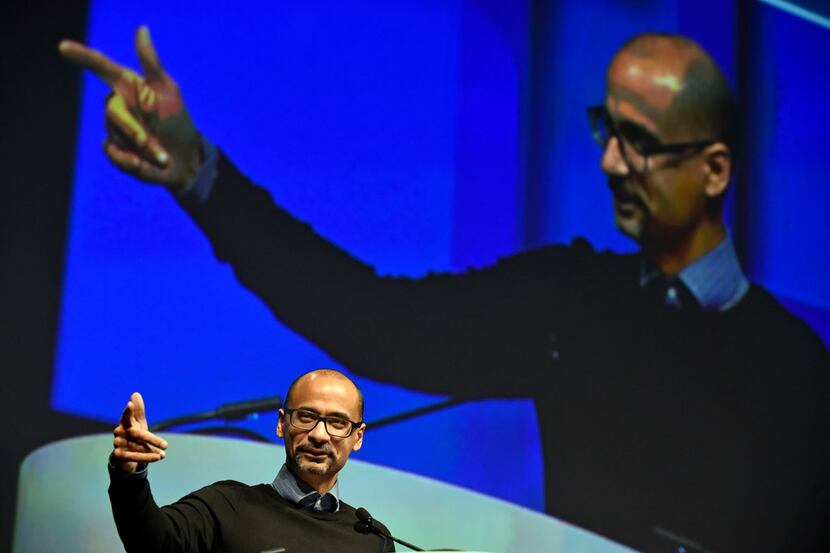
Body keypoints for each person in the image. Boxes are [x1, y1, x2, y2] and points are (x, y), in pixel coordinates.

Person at [61, 28, 830, 552]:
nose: (611, 165)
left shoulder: (796, 366)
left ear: (717, 169)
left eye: (641, 144)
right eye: (607, 130)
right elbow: (367, 312)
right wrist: (200, 172)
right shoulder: (568, 298)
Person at [108, 369, 394, 552]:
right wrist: (129, 477)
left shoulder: (372, 537)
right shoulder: (227, 505)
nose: (319, 434)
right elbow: (152, 543)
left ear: (357, 437)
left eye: (337, 422)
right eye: (306, 417)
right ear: (282, 424)